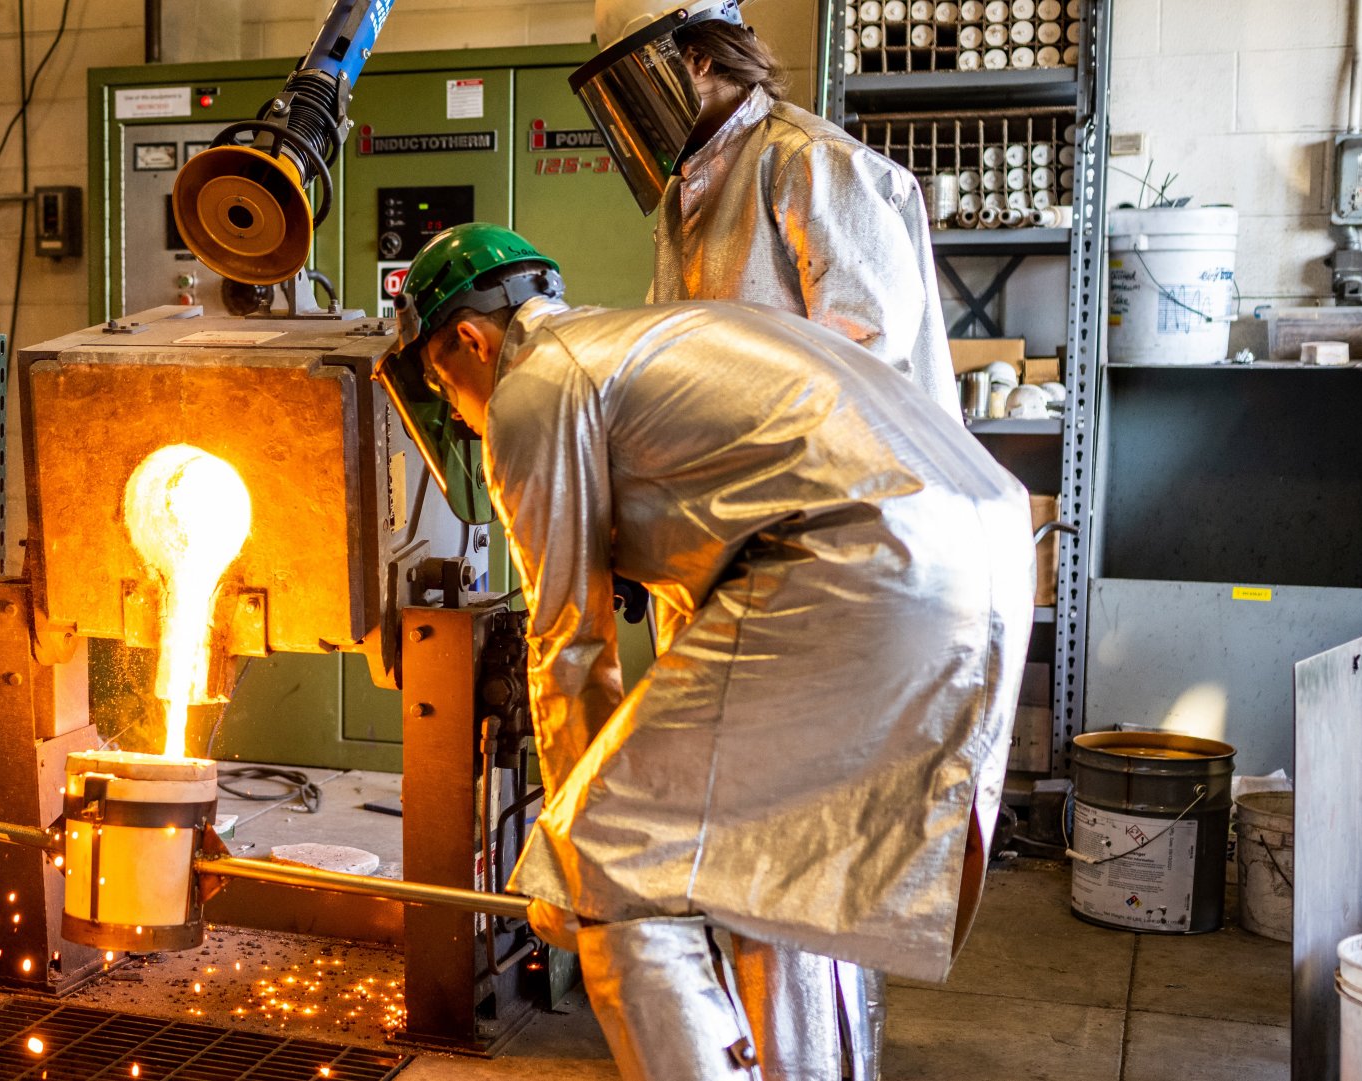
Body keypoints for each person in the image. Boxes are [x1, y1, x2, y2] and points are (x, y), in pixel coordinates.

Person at [378, 223, 1028, 1081]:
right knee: (761, 863)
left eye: (442, 385)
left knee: (610, 864)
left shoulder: (534, 384)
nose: (458, 414)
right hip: (981, 544)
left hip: (860, 560)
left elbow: (570, 642)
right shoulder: (631, 346)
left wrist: (570, 852)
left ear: (469, 338)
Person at [572, 0, 959, 415]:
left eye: (637, 82)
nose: (634, 109)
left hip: (856, 469)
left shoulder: (811, 161)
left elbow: (868, 371)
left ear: (698, 59)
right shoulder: (685, 190)